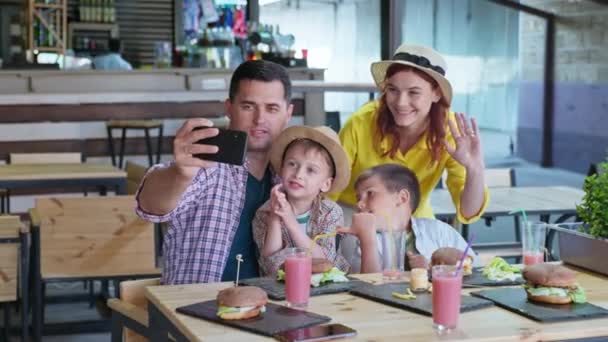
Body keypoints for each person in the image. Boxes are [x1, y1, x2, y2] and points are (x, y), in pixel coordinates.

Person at [136, 60, 293, 284]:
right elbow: (150, 206)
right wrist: (179, 175)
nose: (260, 119)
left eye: (272, 108)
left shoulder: (289, 176)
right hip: (195, 306)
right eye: (248, 106)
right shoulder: (204, 162)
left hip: (266, 306)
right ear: (229, 108)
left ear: (288, 113)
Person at [332, 44, 488, 225]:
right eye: (392, 90)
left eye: (414, 92)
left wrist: (475, 169)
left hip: (414, 221)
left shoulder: (451, 133)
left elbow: (468, 211)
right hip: (356, 214)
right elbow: (331, 188)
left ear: (436, 93)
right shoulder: (361, 122)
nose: (401, 102)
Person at [338, 164, 475, 273]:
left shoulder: (439, 231)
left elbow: (474, 271)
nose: (359, 204)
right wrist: (367, 238)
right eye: (358, 198)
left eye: (370, 194)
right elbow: (367, 287)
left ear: (402, 198)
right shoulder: (364, 241)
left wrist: (433, 269)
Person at [252, 126, 351, 276]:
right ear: (282, 167)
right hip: (280, 289)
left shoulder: (331, 212)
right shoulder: (264, 212)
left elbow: (324, 262)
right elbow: (270, 266)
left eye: (311, 170)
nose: (298, 174)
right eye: (292, 164)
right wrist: (274, 218)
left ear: (326, 184)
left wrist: (291, 222)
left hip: (327, 287)